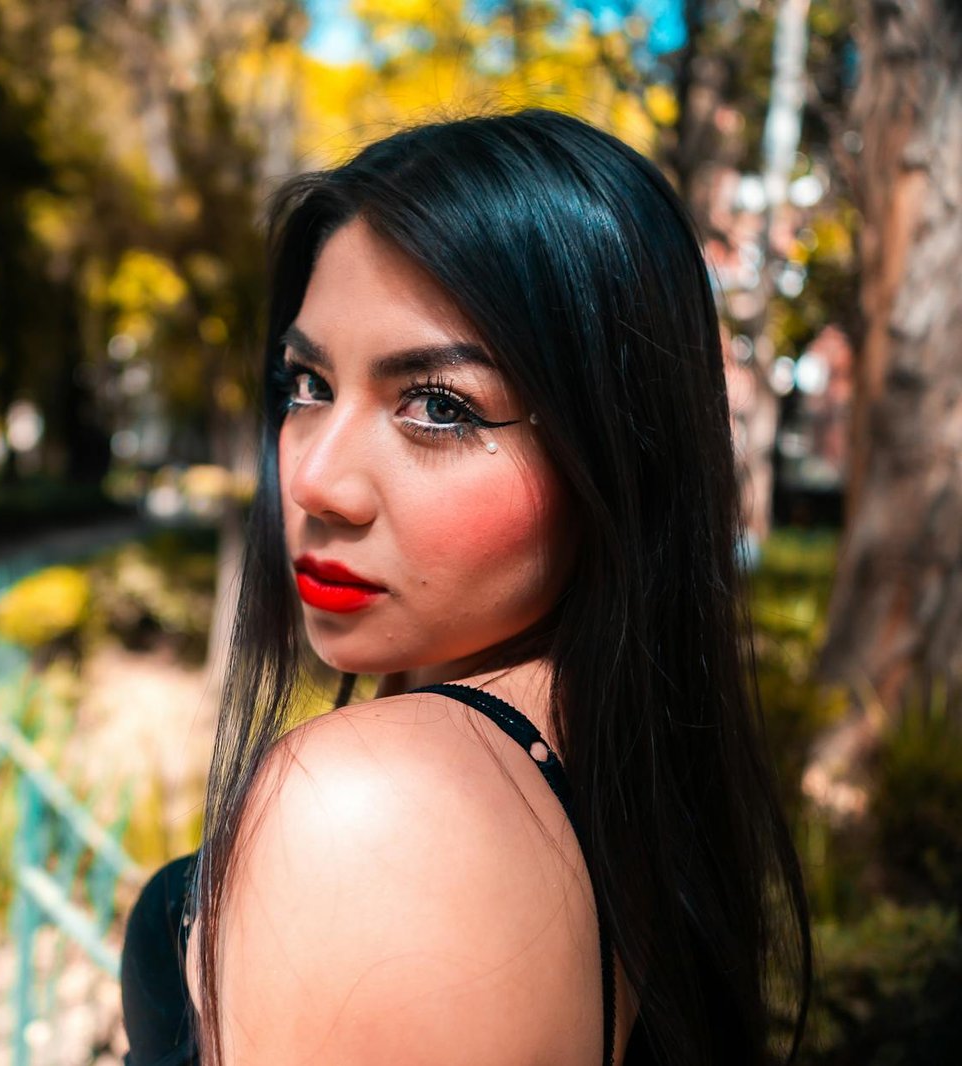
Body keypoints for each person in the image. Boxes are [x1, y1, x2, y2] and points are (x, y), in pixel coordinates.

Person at [119, 109, 813, 1066]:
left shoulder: (373, 809)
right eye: (308, 385)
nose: (316, 480)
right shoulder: (621, 769)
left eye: (439, 407)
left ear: (613, 456)